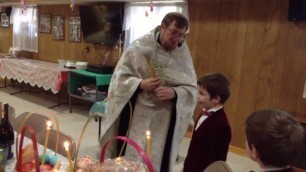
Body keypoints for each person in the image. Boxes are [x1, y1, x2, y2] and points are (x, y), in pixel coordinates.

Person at [99, 12, 198, 172]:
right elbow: (119, 78)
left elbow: (192, 90)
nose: (176, 39)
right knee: (131, 155)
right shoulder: (138, 47)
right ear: (163, 27)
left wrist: (175, 93)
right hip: (137, 114)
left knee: (156, 157)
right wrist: (140, 83)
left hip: (164, 118)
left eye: (181, 35)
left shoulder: (183, 56)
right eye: (173, 32)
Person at [183, 73, 232, 172]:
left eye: (201, 93)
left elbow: (216, 161)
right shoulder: (204, 113)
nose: (197, 97)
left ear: (216, 99)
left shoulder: (221, 126)